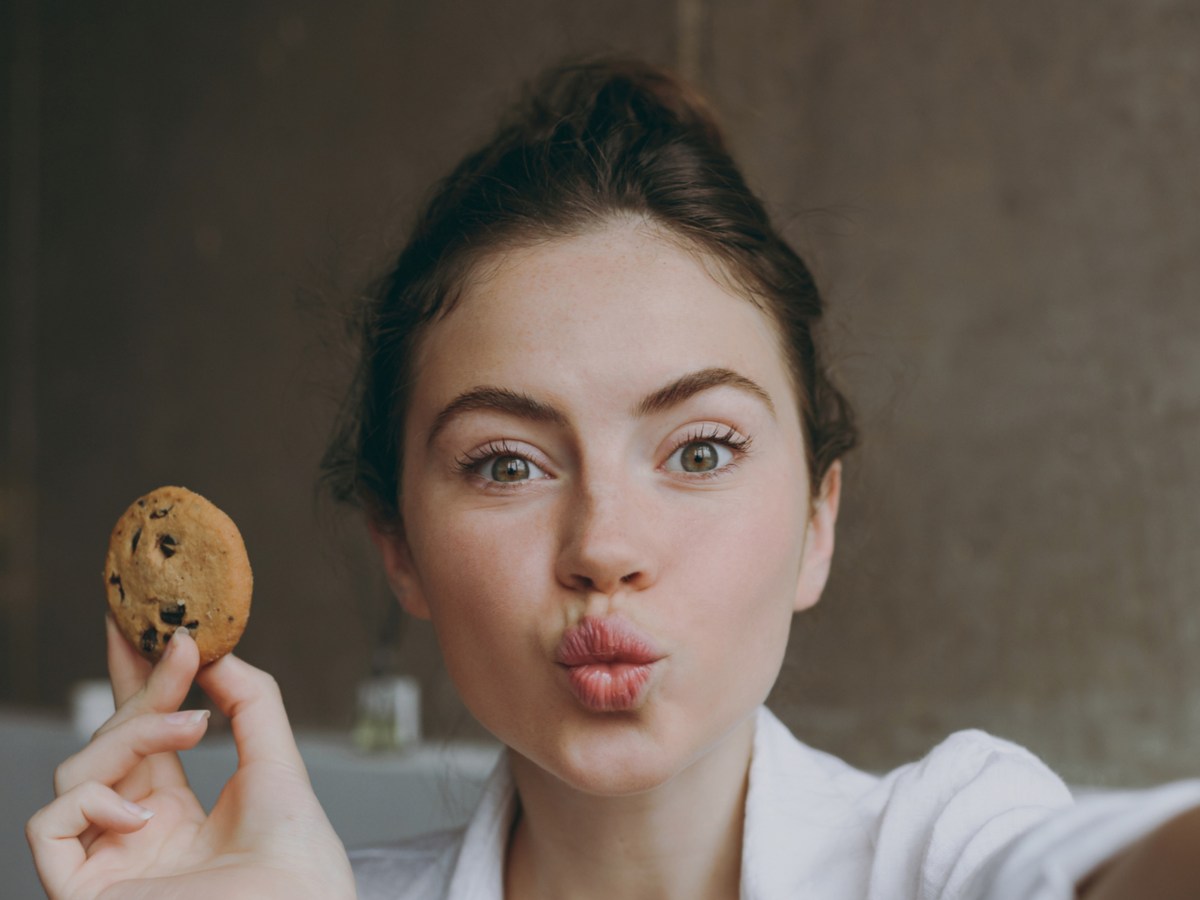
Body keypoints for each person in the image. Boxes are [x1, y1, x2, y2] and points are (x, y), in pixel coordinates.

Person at [25, 57, 1200, 900]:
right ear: (399, 547)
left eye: (700, 450)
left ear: (817, 523)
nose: (603, 544)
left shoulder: (945, 850)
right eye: (506, 463)